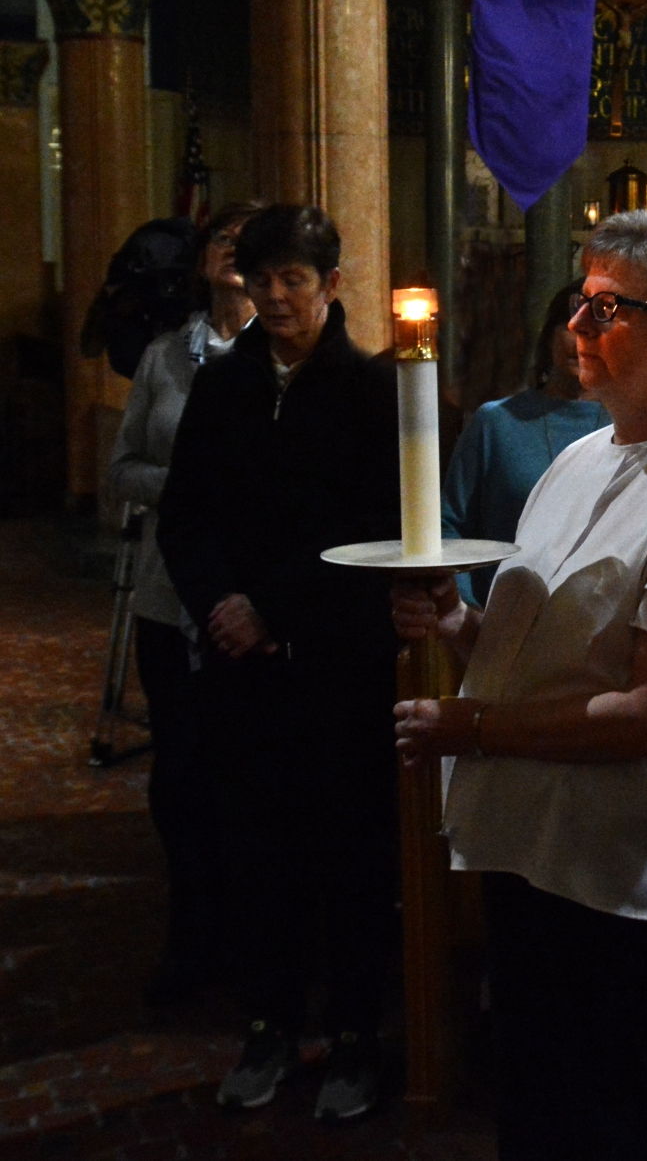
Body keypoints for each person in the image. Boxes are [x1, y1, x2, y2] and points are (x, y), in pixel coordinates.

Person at [390, 209, 647, 1160]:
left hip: (622, 862)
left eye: (608, 308)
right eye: (580, 305)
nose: (576, 329)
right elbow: (523, 651)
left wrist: (471, 728)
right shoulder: (580, 454)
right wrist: (455, 621)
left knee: (631, 1117)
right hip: (530, 841)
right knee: (541, 1108)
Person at [157, 205, 400, 1121]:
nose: (277, 298)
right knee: (255, 854)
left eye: (294, 281)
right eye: (261, 283)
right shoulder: (222, 388)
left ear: (331, 286)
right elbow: (187, 513)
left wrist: (273, 605)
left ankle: (352, 1039)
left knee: (349, 855)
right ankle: (267, 1024)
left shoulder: (366, 389)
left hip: (334, 664)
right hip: (241, 667)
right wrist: (220, 601)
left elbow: (372, 525)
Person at [107, 202, 263, 1008]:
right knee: (181, 776)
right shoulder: (169, 357)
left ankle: (252, 938)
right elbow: (125, 467)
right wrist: (187, 489)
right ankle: (189, 934)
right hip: (173, 601)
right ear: (202, 259)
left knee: (246, 774)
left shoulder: (278, 360)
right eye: (223, 243)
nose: (234, 255)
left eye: (250, 245)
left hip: (252, 601)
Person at [441, 281, 612, 606]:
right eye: (571, 324)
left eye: (598, 327)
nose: (582, 337)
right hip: (498, 621)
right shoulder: (497, 421)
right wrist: (463, 604)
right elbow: (449, 522)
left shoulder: (632, 424)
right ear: (549, 336)